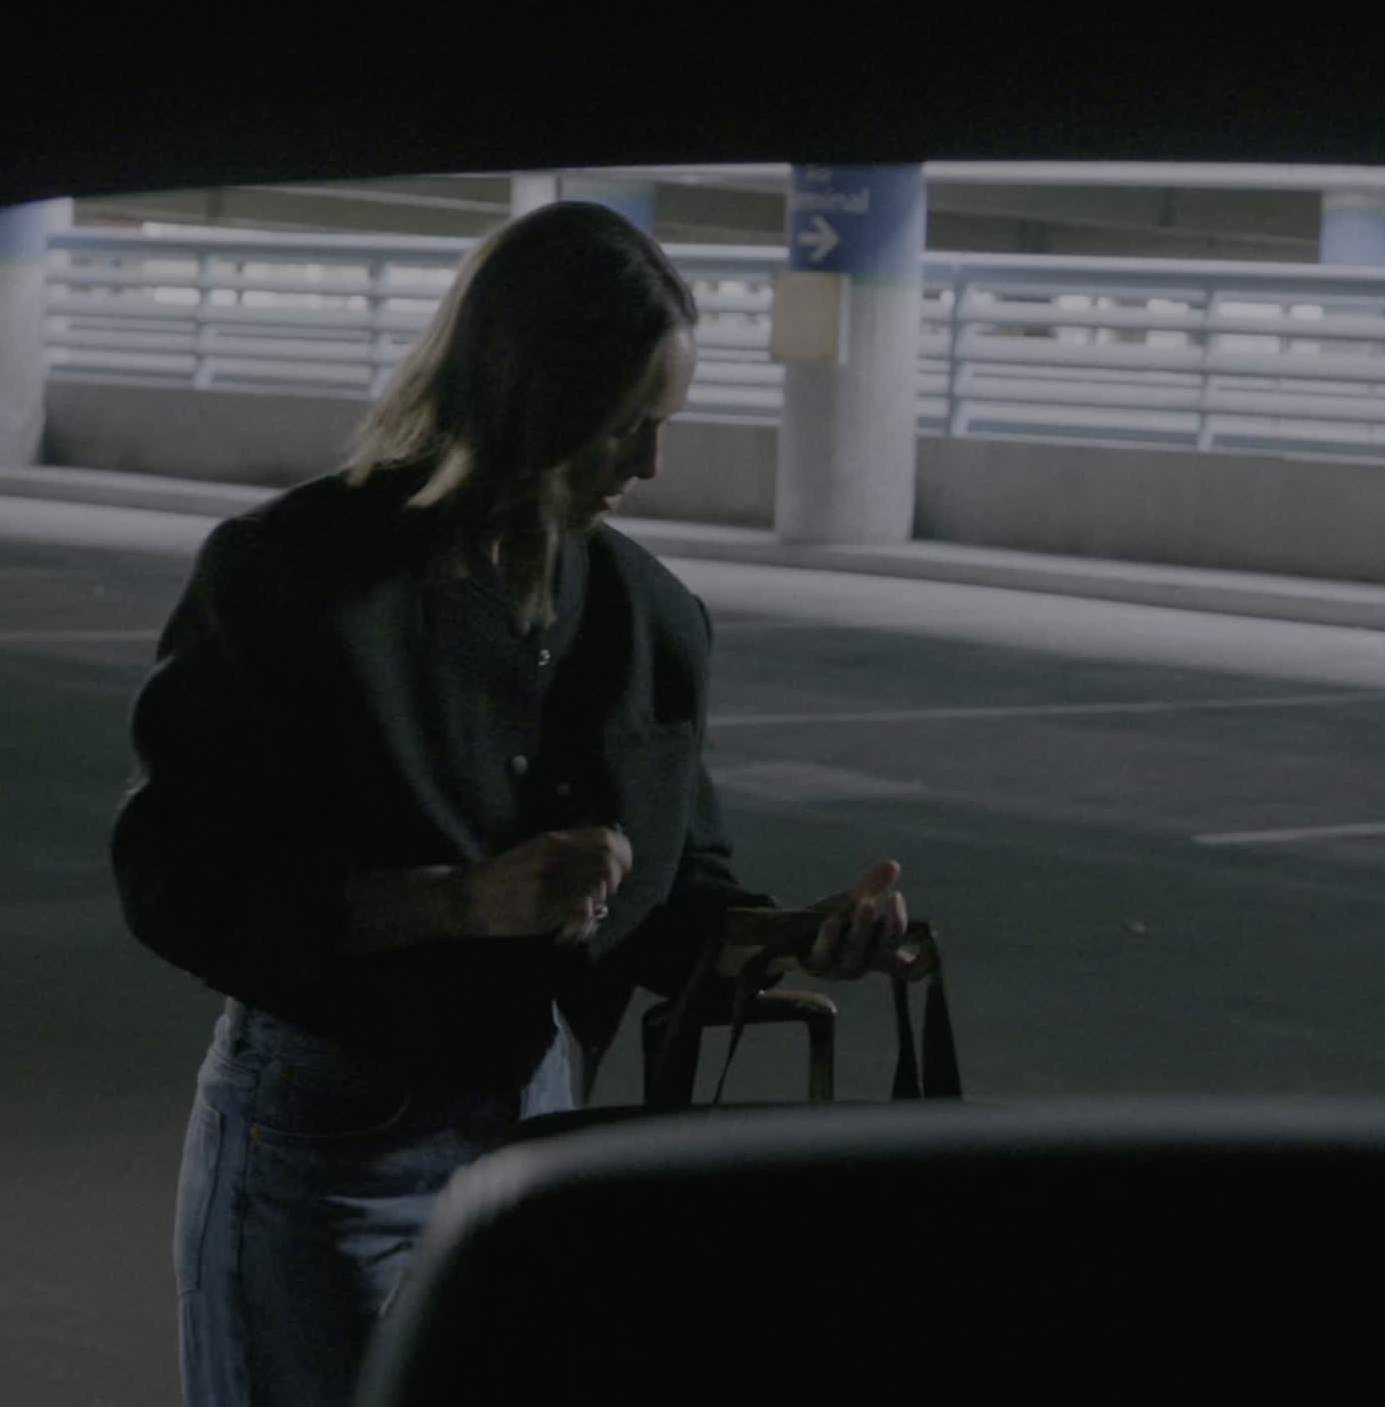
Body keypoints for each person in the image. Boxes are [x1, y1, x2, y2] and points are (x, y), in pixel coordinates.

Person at [113, 201, 913, 1406]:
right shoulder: (293, 575)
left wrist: (798, 936)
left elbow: (678, 904)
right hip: (325, 1145)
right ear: (531, 394)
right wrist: (460, 901)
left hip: (536, 1139)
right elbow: (175, 880)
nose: (650, 466)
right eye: (627, 426)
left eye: (665, 426)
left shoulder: (652, 621)